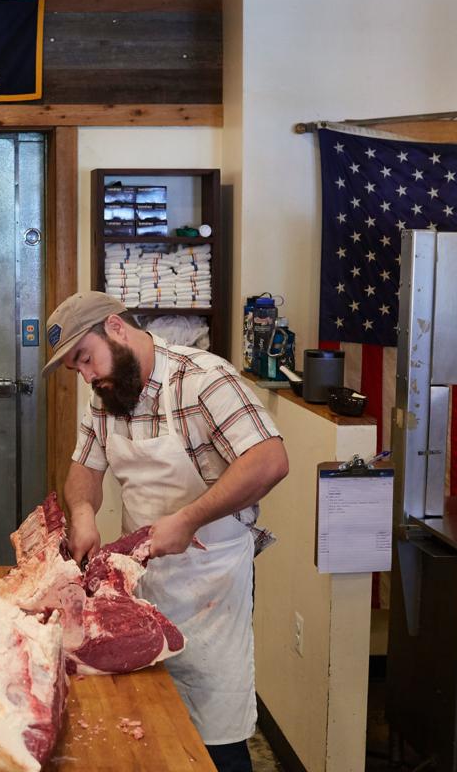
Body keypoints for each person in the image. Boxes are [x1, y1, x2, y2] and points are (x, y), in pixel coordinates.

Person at [43, 292, 288, 772]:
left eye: (86, 359)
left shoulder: (202, 379)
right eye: (78, 369)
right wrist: (83, 514)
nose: (88, 376)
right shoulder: (106, 396)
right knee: (146, 725)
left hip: (211, 582)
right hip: (141, 579)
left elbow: (269, 460)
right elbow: (84, 471)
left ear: (115, 328)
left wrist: (190, 518)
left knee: (215, 730)